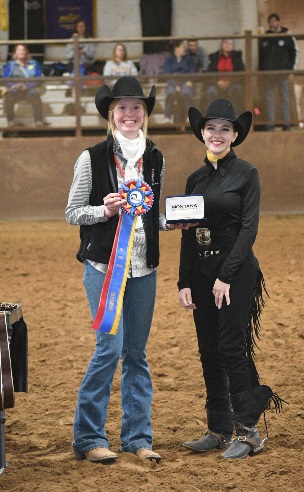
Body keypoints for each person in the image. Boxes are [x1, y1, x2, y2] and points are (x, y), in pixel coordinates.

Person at [65, 76, 186, 465]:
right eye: (122, 107)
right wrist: (106, 210)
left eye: (137, 107)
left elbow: (151, 216)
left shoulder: (156, 158)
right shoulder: (91, 158)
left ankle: (137, 437)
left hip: (144, 269)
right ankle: (88, 437)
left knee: (137, 353)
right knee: (109, 349)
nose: (130, 114)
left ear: (145, 114)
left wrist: (175, 222)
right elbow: (72, 213)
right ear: (111, 114)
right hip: (103, 266)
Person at [178, 99, 283, 459]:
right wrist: (184, 281)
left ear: (235, 135)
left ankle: (249, 433)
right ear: (202, 134)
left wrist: (225, 276)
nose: (217, 135)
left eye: (225, 129)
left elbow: (249, 229)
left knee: (231, 347)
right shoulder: (195, 178)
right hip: (203, 273)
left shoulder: (246, 174)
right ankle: (219, 428)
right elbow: (186, 233)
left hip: (236, 273)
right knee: (209, 351)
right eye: (211, 129)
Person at [258, 13, 298, 131]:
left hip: (283, 73)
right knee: (269, 99)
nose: (272, 24)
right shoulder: (266, 37)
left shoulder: (287, 36)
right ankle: (270, 124)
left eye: (274, 21)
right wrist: (262, 71)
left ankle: (286, 124)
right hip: (269, 74)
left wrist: (290, 70)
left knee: (284, 98)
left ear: (279, 22)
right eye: (270, 22)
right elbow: (261, 55)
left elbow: (293, 54)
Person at [2, 44, 45, 128]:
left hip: (30, 88)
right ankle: (10, 120)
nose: (21, 52)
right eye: (19, 50)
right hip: (15, 89)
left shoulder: (34, 63)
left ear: (26, 52)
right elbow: (5, 79)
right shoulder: (10, 65)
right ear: (15, 54)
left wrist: (28, 86)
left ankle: (38, 120)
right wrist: (14, 85)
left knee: (35, 94)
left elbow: (39, 78)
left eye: (23, 50)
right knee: (9, 94)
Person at [162, 40, 197, 129]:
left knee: (186, 92)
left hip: (186, 83)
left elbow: (193, 72)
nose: (184, 49)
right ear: (176, 49)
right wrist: (175, 85)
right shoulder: (169, 60)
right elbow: (166, 74)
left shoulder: (189, 59)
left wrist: (189, 81)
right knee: (170, 93)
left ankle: (190, 116)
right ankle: (167, 117)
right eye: (182, 47)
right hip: (173, 84)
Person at [205, 38, 245, 114]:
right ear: (221, 44)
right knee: (211, 91)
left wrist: (229, 82)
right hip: (217, 84)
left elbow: (241, 73)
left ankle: (234, 117)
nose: (227, 45)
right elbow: (209, 74)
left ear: (232, 46)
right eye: (225, 42)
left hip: (232, 84)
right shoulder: (214, 57)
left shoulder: (237, 57)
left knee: (236, 89)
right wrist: (217, 82)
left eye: (230, 43)